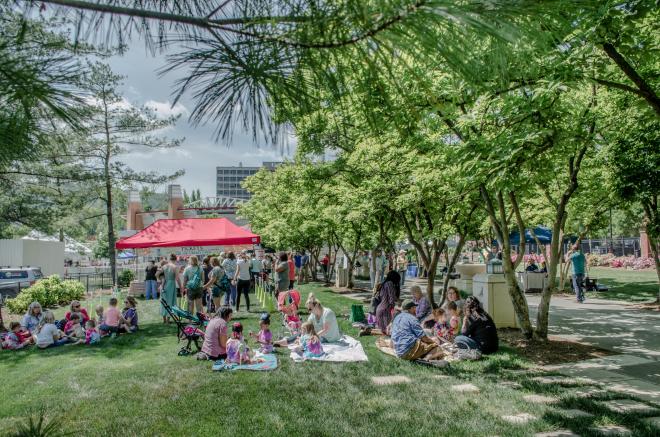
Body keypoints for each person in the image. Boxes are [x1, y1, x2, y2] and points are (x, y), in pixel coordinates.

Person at [160, 254, 181, 324]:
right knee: (170, 301)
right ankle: (168, 320)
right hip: (171, 284)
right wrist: (181, 287)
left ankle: (164, 319)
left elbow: (157, 274)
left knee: (164, 301)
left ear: (169, 259)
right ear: (175, 259)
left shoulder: (164, 266)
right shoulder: (175, 267)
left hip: (164, 284)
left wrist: (161, 280)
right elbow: (177, 278)